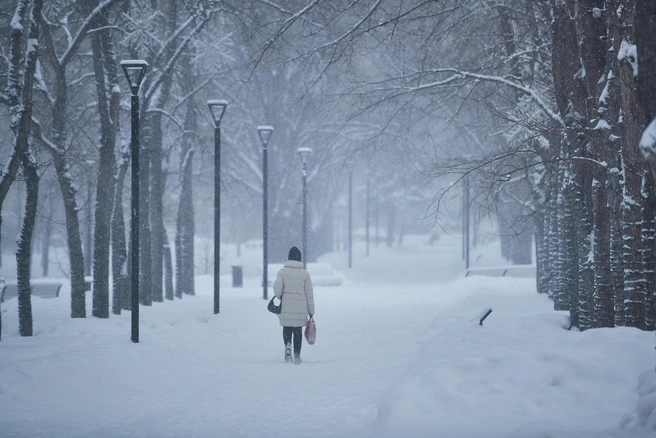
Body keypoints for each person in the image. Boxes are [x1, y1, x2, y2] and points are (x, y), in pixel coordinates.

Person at [273, 246, 315, 364]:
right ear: (299, 258)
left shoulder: (282, 272)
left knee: (287, 328)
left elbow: (277, 292)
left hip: (286, 307)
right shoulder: (305, 274)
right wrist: (311, 311)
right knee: (297, 331)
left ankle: (287, 345)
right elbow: (309, 294)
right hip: (300, 308)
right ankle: (296, 354)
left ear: (289, 258)